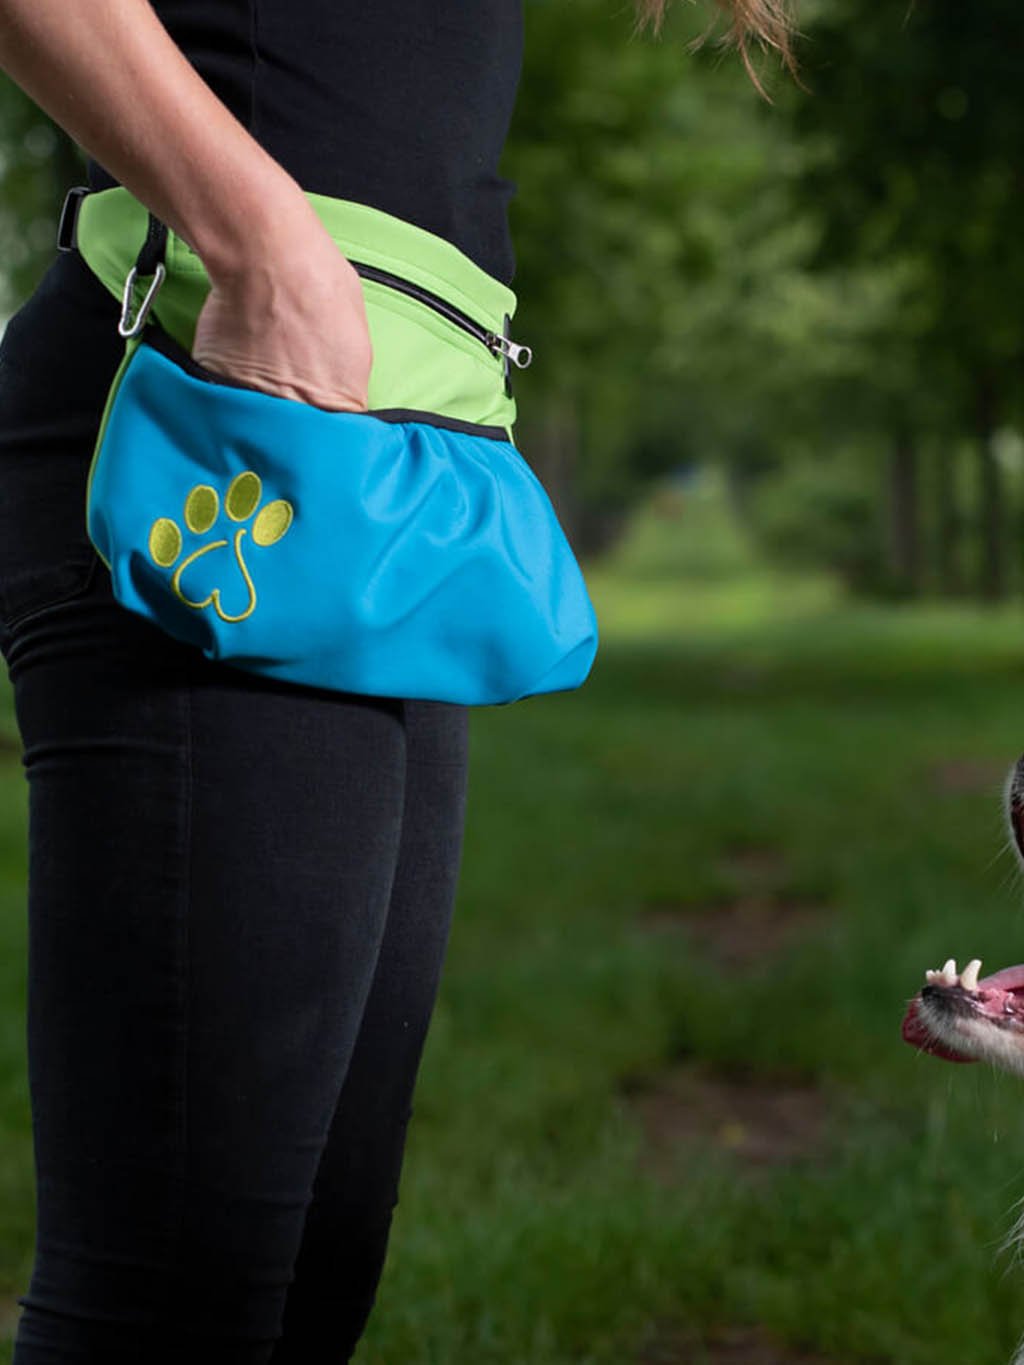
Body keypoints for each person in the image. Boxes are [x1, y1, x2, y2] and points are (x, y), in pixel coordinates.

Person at [0, 1, 795, 1361]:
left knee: (309, 1258)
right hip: (226, 407)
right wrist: (258, 241)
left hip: (387, 444)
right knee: (174, 1295)